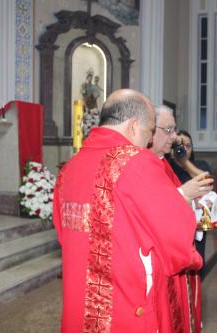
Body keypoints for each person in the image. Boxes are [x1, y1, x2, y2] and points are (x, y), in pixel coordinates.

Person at [53, 90, 203, 332]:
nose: (149, 141)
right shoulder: (137, 161)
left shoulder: (69, 168)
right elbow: (175, 235)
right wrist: (192, 258)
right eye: (150, 130)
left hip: (81, 304)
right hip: (125, 306)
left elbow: (63, 233)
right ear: (134, 126)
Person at [149, 105, 213, 333]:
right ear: (149, 129)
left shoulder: (164, 162)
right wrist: (185, 194)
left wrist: (191, 200)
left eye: (174, 130)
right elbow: (151, 211)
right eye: (168, 130)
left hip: (182, 247)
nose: (174, 136)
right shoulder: (146, 162)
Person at [168, 129, 212, 276]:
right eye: (179, 145)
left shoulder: (199, 164)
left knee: (197, 263)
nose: (184, 148)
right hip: (175, 224)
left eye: (188, 145)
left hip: (197, 223)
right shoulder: (167, 166)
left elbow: (207, 181)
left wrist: (185, 162)